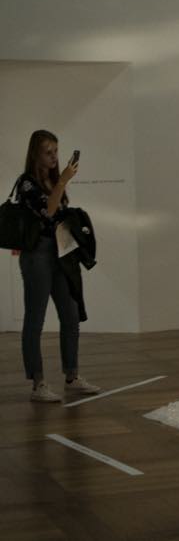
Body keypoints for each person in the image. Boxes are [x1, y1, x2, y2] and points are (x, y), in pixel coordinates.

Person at [15, 130, 101, 402]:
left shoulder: (53, 180)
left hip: (61, 253)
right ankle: (38, 383)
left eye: (55, 151)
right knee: (35, 319)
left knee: (71, 314)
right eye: (48, 152)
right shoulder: (27, 183)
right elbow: (48, 211)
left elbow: (60, 213)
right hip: (37, 255)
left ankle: (72, 376)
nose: (54, 157)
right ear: (35, 154)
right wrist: (63, 180)